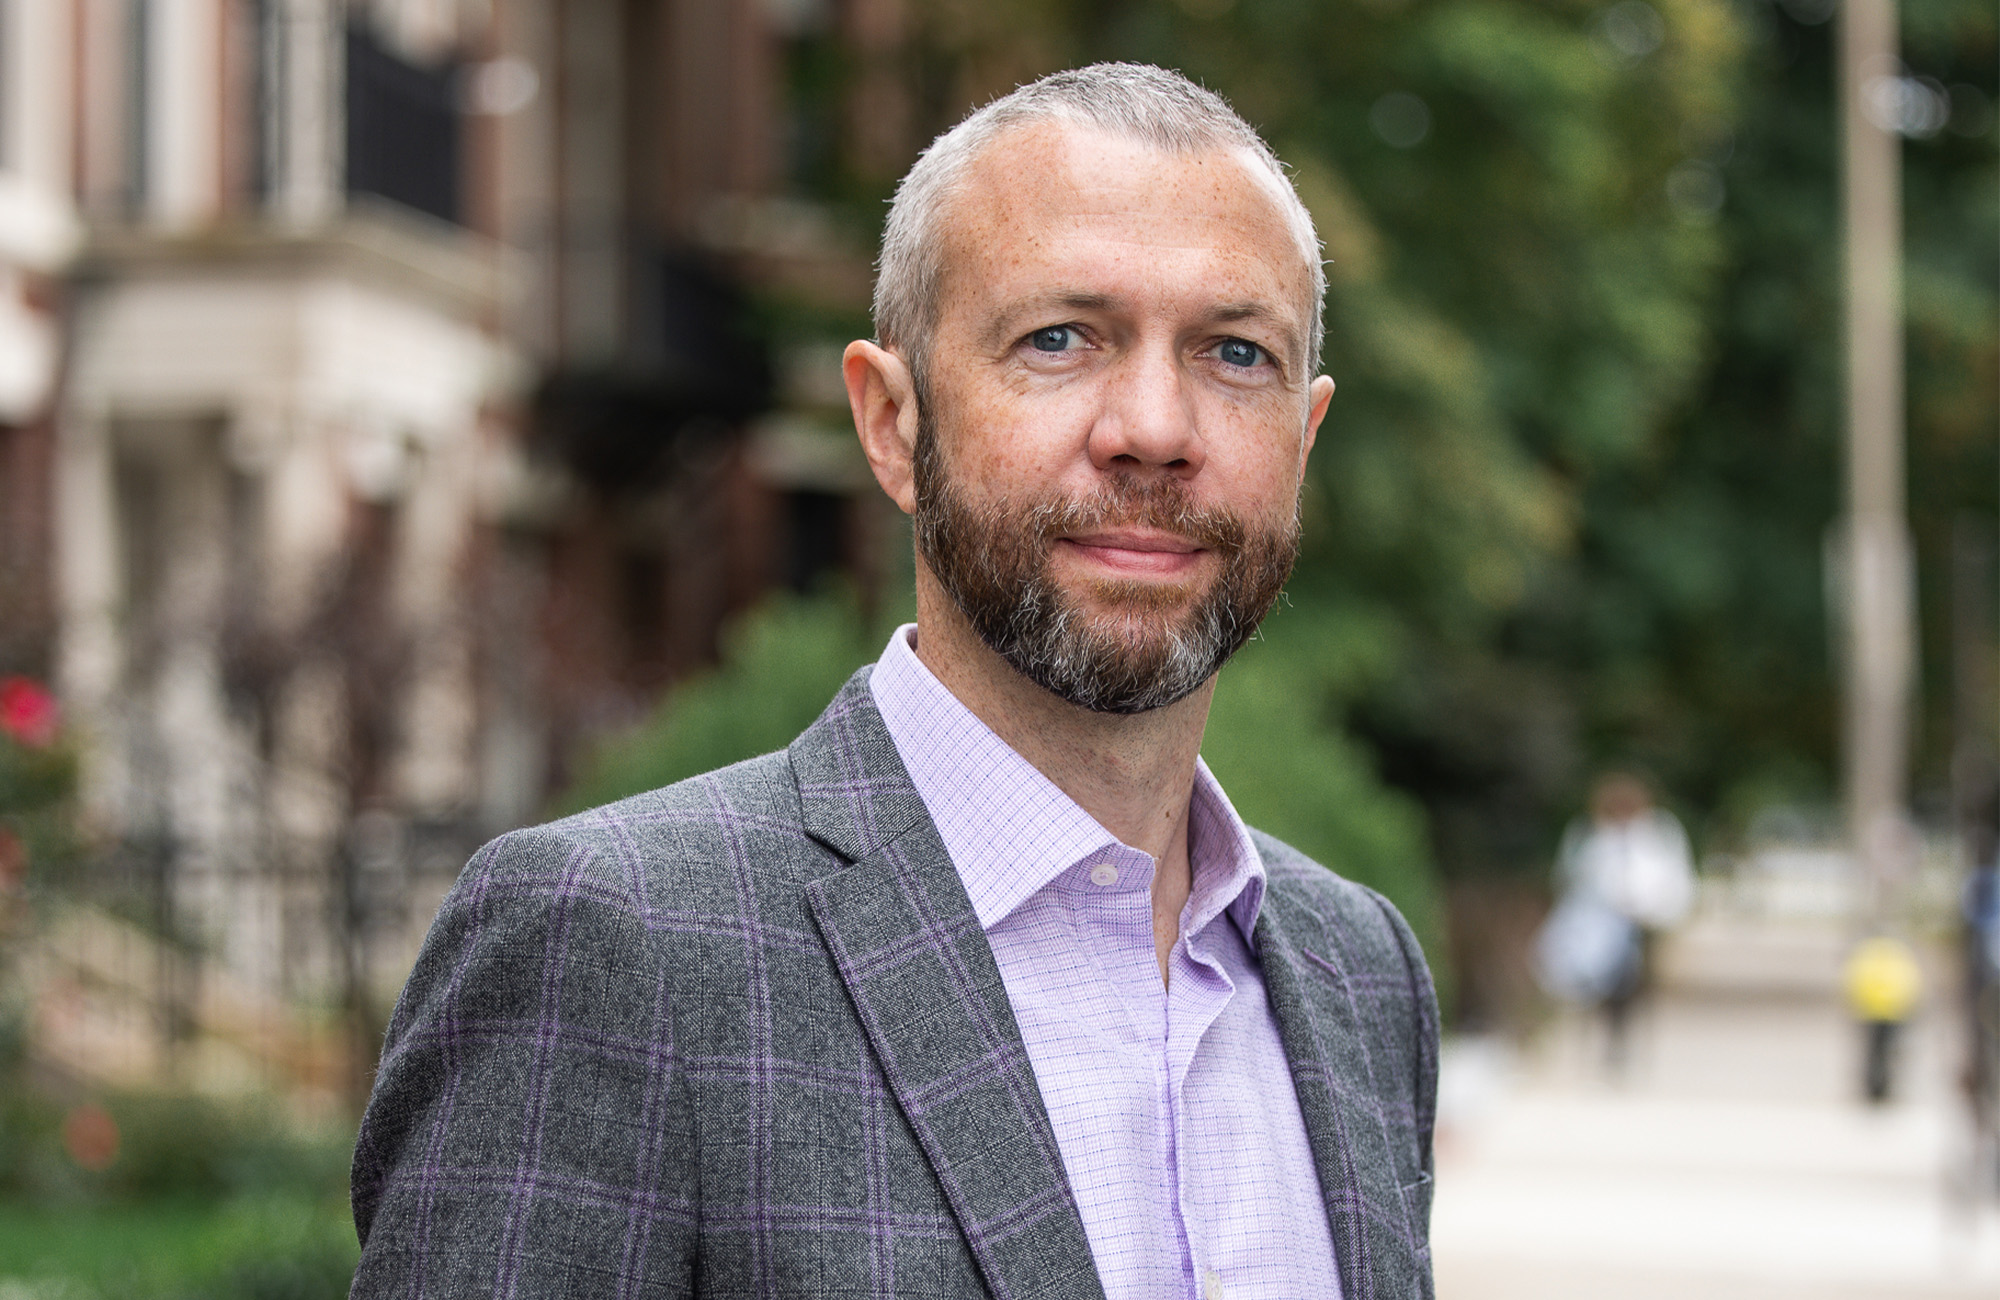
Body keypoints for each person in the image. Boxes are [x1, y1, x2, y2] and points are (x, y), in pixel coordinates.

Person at [350, 64, 1438, 1300]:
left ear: (1301, 438)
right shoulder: (614, 946)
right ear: (890, 423)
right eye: (1059, 339)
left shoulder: (1359, 975)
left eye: (1235, 353)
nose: (1153, 426)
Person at [1536, 772, 1695, 1070]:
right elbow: (1569, 877)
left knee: (1629, 986)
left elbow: (1672, 878)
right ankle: (1595, 1044)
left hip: (1641, 924)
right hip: (1595, 924)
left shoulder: (1659, 832)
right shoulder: (1587, 834)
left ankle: (1618, 1044)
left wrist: (1659, 910)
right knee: (1593, 985)